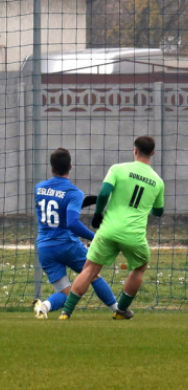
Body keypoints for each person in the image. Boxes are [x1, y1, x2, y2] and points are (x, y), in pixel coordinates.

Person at [59, 136, 164, 320]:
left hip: (108, 230)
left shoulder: (118, 169)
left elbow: (104, 193)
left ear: (135, 150)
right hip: (134, 235)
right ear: (153, 153)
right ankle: (121, 310)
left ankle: (66, 312)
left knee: (90, 269)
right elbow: (158, 211)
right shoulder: (158, 181)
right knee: (140, 267)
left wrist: (98, 215)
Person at [32, 148, 118, 319]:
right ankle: (117, 309)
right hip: (67, 244)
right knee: (93, 274)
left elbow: (56, 205)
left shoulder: (39, 188)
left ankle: (45, 306)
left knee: (66, 293)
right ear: (71, 167)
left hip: (45, 247)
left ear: (51, 168)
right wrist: (96, 237)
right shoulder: (74, 193)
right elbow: (71, 222)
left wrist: (80, 203)